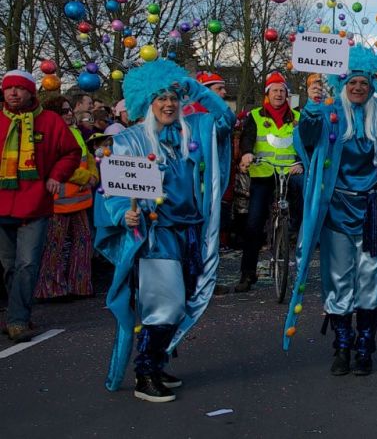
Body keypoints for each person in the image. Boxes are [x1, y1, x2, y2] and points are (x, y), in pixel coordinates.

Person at [281, 45, 377, 376]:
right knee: (338, 280)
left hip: (372, 211)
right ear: (343, 84)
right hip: (337, 211)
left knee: (368, 279)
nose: (359, 87)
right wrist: (313, 106)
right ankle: (342, 345)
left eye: (365, 82)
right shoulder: (331, 113)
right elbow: (306, 137)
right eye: (352, 82)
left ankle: (364, 346)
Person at [93, 60, 233, 402]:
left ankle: (156, 363)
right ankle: (144, 374)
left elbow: (226, 120)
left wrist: (196, 88)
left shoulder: (194, 128)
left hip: (192, 233)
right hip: (157, 234)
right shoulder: (129, 141)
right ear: (148, 102)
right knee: (166, 304)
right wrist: (122, 214)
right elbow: (113, 191)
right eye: (161, 98)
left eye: (173, 97)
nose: (168, 104)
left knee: (183, 300)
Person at [0, 70, 81, 342]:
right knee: (8, 266)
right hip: (2, 205)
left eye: (19, 89)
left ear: (30, 92)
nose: (13, 93)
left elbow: (71, 152)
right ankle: (17, 312)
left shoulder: (50, 121)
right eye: (8, 88)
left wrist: (57, 176)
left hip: (35, 205)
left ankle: (17, 320)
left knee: (27, 263)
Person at [235, 71, 302, 292]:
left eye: (282, 91)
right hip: (263, 174)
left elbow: (304, 143)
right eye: (275, 91)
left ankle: (296, 258)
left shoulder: (297, 117)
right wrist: (247, 153)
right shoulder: (255, 116)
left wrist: (301, 162)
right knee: (254, 224)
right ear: (267, 93)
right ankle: (247, 273)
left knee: (300, 214)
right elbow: (247, 138)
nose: (279, 94)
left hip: (289, 175)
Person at [34, 96, 98, 300]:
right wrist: (86, 177)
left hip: (80, 199)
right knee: (55, 246)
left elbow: (87, 157)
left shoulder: (75, 131)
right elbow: (57, 164)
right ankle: (50, 288)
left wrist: (93, 175)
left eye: (69, 109)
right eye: (64, 111)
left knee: (83, 242)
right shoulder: (49, 135)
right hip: (58, 201)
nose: (69, 113)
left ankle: (80, 285)